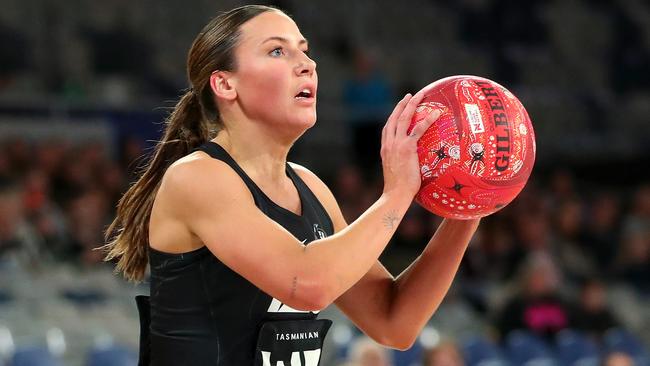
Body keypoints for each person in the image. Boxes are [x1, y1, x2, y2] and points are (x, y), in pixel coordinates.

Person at [101, 5, 480, 366]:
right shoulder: (197, 177)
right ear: (225, 83)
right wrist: (397, 194)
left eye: (305, 50)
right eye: (278, 51)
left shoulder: (311, 188)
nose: (307, 65)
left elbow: (393, 322)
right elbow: (307, 284)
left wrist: (471, 204)